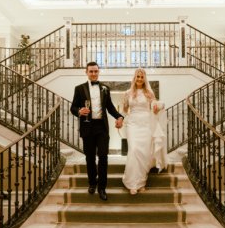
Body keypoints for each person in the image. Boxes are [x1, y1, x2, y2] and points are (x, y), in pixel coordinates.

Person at [71, 62, 124, 201]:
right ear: (86, 72)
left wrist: (119, 116)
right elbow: (73, 107)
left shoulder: (105, 88)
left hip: (101, 127)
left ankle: (102, 187)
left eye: (96, 71)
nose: (94, 74)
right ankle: (92, 183)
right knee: (89, 157)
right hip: (87, 126)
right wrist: (79, 111)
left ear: (98, 72)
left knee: (103, 157)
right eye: (91, 71)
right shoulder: (79, 89)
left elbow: (110, 107)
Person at [122, 68, 166, 195]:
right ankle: (131, 183)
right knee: (134, 149)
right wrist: (120, 120)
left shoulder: (149, 94)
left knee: (144, 153)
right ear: (134, 78)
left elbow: (154, 108)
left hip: (146, 124)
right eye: (138, 77)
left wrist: (157, 108)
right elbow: (125, 110)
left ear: (144, 78)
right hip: (133, 124)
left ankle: (141, 182)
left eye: (142, 77)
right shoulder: (127, 93)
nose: (140, 79)